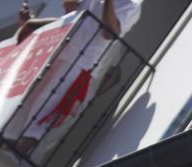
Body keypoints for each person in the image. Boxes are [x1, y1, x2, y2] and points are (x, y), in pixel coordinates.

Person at [11, 0, 141, 155]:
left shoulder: (132, 6)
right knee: (24, 105)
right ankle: (3, 150)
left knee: (41, 117)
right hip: (58, 56)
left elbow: (109, 33)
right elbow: (73, 20)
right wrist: (31, 23)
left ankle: (13, 158)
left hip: (78, 64)